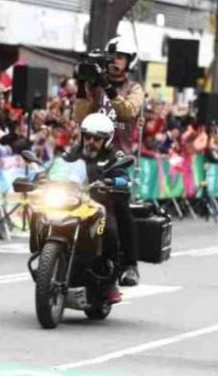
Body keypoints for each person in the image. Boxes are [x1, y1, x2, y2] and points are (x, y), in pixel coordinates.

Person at [73, 35, 143, 286]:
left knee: (121, 206)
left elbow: (127, 111)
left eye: (121, 57)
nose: (115, 61)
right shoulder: (95, 86)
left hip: (119, 159)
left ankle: (130, 265)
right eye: (112, 56)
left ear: (129, 62)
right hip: (89, 152)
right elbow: (79, 117)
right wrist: (83, 85)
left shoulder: (134, 89)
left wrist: (108, 86)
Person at [59, 113, 132, 304]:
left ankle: (111, 282)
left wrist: (112, 181)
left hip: (100, 207)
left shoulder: (115, 156)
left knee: (108, 231)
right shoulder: (72, 153)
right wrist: (40, 175)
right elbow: (55, 167)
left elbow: (125, 178)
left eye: (97, 138)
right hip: (72, 204)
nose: (90, 142)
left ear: (106, 140)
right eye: (88, 137)